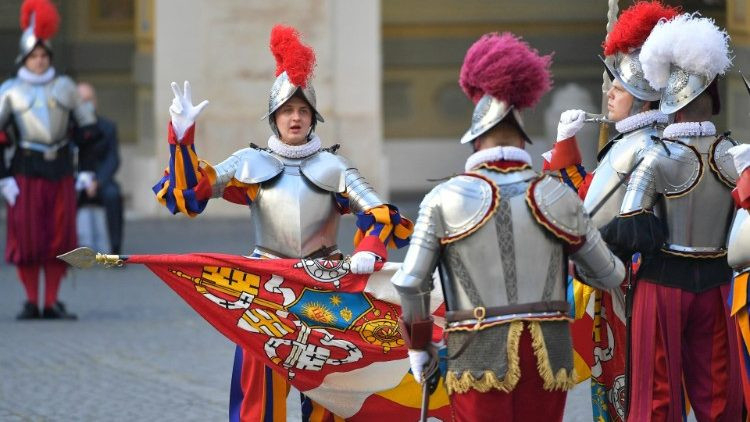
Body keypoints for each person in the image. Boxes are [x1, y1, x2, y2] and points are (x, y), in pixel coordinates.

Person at [152, 25, 412, 421]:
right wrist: (182, 137)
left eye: (303, 111)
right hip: (265, 287)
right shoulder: (249, 163)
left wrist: (369, 249)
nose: (295, 117)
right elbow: (191, 192)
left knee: (331, 390)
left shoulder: (334, 166)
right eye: (287, 111)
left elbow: (380, 214)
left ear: (313, 118)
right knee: (259, 390)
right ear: (274, 118)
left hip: (324, 285)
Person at [391, 32, 625, 422]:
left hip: (475, 349)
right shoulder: (557, 195)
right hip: (547, 353)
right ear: (522, 137)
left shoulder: (444, 198)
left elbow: (411, 282)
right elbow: (609, 275)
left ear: (475, 141)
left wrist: (419, 347)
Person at [601, 13, 742, 421]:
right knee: (720, 396)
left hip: (662, 282)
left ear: (670, 102)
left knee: (656, 398)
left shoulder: (654, 156)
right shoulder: (735, 156)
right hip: (719, 282)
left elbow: (629, 229)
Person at [541, 3, 678, 420]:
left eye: (619, 89)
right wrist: (565, 145)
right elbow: (589, 201)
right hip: (615, 279)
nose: (610, 94)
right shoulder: (627, 142)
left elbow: (589, 210)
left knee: (637, 385)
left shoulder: (647, 146)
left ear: (643, 103)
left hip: (635, 281)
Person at [0, 0, 99, 320]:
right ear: (24, 58)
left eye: (43, 55)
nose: (39, 61)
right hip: (25, 172)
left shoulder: (66, 87)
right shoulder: (9, 91)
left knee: (60, 239)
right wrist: (3, 177)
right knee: (28, 239)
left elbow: (88, 132)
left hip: (61, 171)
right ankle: (32, 301)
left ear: (50, 57)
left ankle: (51, 301)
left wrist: (86, 171)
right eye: (34, 56)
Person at [76, 82, 124, 255]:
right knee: (62, 196)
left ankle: (115, 250)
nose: (87, 104)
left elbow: (113, 159)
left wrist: (98, 181)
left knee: (113, 195)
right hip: (76, 180)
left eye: (90, 99)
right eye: (82, 101)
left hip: (101, 181)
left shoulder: (108, 127)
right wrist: (82, 181)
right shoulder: (69, 129)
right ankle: (65, 250)